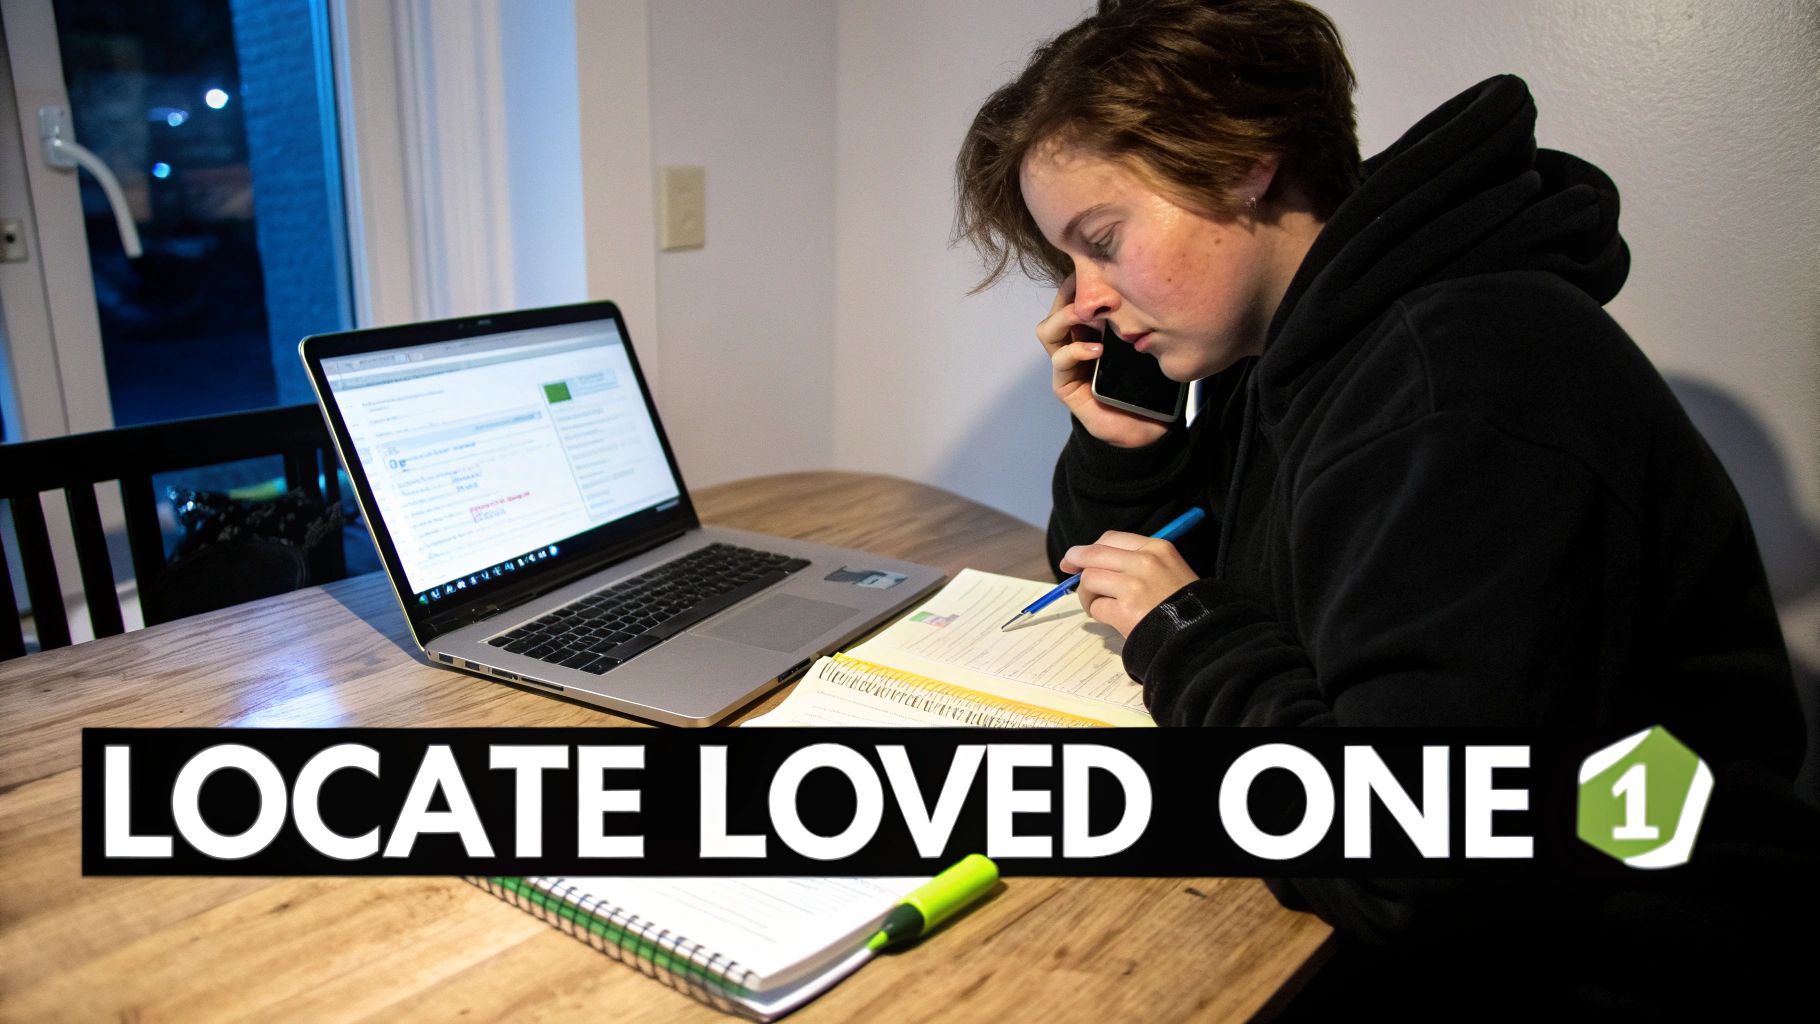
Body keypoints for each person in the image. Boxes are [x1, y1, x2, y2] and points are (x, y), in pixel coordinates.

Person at [954, 0, 1817, 1013]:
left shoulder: (1455, 383)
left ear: (1242, 160)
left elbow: (1398, 860)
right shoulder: (1287, 347)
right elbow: (1143, 575)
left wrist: (1184, 632)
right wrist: (1130, 455)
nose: (1078, 299)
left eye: (1100, 240)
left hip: (1617, 952)